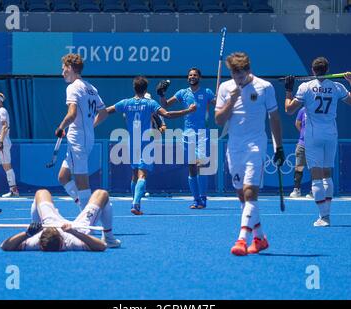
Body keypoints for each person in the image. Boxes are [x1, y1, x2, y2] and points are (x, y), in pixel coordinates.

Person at [215, 52, 285, 256]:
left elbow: (274, 118)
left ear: (248, 69)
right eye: (234, 73)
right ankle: (260, 238)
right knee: (241, 196)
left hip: (256, 145)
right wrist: (231, 100)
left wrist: (278, 147)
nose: (237, 77)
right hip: (234, 147)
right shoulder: (225, 88)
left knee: (249, 193)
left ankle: (241, 240)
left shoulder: (265, 87)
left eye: (240, 73)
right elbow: (219, 120)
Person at [95, 76, 196, 215]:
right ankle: (135, 204)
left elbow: (105, 111)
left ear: (134, 88)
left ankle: (136, 202)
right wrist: (187, 111)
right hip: (146, 143)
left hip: (132, 143)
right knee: (142, 175)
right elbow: (167, 114)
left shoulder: (125, 103)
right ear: (146, 89)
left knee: (134, 175)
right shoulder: (150, 103)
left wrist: (90, 115)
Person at [285, 57, 351, 227]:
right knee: (327, 174)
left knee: (317, 177)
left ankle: (323, 216)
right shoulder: (337, 87)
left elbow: (289, 110)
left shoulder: (305, 87)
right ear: (327, 70)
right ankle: (327, 214)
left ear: (313, 70)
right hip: (331, 134)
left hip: (313, 135)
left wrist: (288, 91)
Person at [157, 68, 216, 209]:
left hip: (202, 134)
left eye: (195, 75)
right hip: (187, 134)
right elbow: (165, 105)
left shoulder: (207, 92)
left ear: (199, 77)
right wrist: (162, 94)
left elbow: (218, 104)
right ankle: (196, 200)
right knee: (191, 167)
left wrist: (219, 98)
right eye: (190, 75)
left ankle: (203, 198)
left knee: (201, 165)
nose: (192, 77)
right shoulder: (182, 93)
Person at [55, 53, 107, 211]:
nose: (62, 72)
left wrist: (60, 127)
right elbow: (103, 113)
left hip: (77, 138)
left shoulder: (73, 87)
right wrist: (90, 126)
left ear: (70, 68)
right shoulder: (91, 88)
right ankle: (84, 206)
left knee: (82, 181)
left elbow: (72, 114)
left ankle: (89, 218)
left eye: (64, 69)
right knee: (63, 177)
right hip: (86, 138)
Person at [0, 188, 120, 251]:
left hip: (50, 224)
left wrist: (27, 233)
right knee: (101, 194)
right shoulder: (73, 243)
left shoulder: (34, 241)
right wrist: (74, 232)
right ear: (63, 243)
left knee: (41, 193)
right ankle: (109, 237)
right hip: (77, 230)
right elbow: (102, 246)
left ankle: (35, 223)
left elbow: (4, 246)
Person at [289, 107, 313, 199]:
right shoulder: (302, 110)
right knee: (299, 167)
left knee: (314, 168)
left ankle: (313, 190)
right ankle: (296, 189)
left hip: (314, 144)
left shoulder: (316, 110)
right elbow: (297, 123)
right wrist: (303, 134)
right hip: (302, 143)